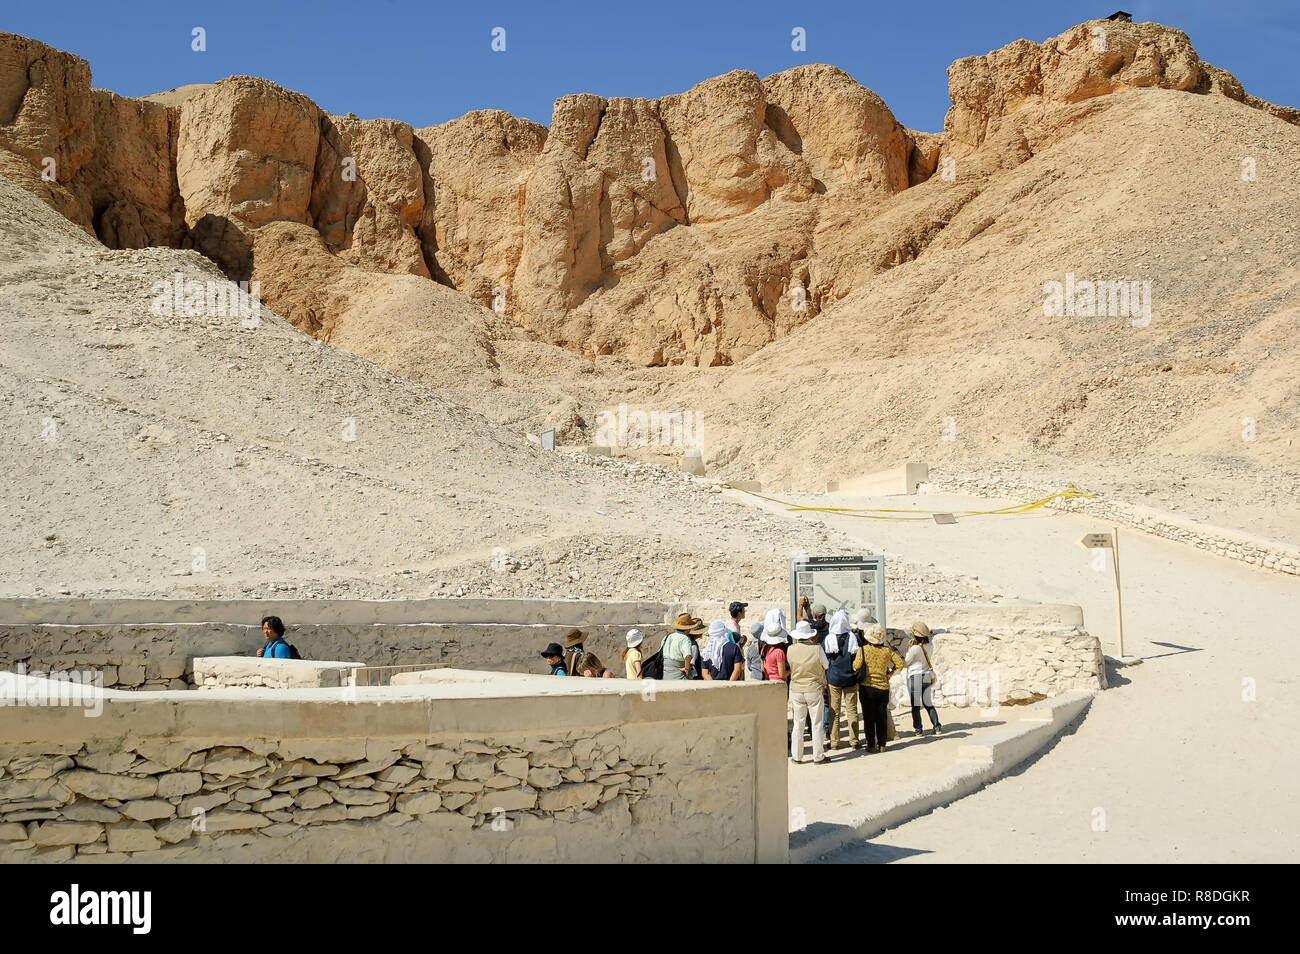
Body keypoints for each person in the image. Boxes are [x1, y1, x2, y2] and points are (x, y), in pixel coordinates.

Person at [853, 620, 906, 752]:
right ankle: (882, 744)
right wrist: (890, 674)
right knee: (881, 716)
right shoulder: (887, 651)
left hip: (867, 688)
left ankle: (871, 745)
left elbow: (856, 666)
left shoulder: (863, 650)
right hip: (883, 688)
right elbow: (900, 664)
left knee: (869, 718)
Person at [787, 619, 829, 763]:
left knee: (798, 724)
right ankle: (818, 756)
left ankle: (796, 756)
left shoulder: (790, 649)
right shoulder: (817, 648)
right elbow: (826, 665)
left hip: (797, 689)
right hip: (813, 688)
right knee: (817, 723)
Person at [824, 609, 860, 750]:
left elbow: (825, 659)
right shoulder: (853, 638)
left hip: (834, 678)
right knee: (852, 710)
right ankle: (854, 740)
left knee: (834, 710)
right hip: (850, 678)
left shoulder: (829, 638)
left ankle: (834, 742)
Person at [905, 622, 942, 736]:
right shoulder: (930, 646)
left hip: (915, 676)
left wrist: (909, 649)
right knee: (928, 703)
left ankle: (918, 730)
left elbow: (906, 663)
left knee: (916, 705)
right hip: (926, 675)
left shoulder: (915, 648)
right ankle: (937, 727)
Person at [662, 613, 705, 680]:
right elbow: (688, 656)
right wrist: (686, 669)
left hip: (665, 671)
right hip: (678, 672)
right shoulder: (685, 639)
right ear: (688, 629)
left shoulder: (667, 636)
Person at [759, 608, 789, 683]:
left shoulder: (764, 649)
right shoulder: (779, 652)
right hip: (779, 683)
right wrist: (791, 671)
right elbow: (782, 674)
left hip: (768, 681)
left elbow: (763, 669)